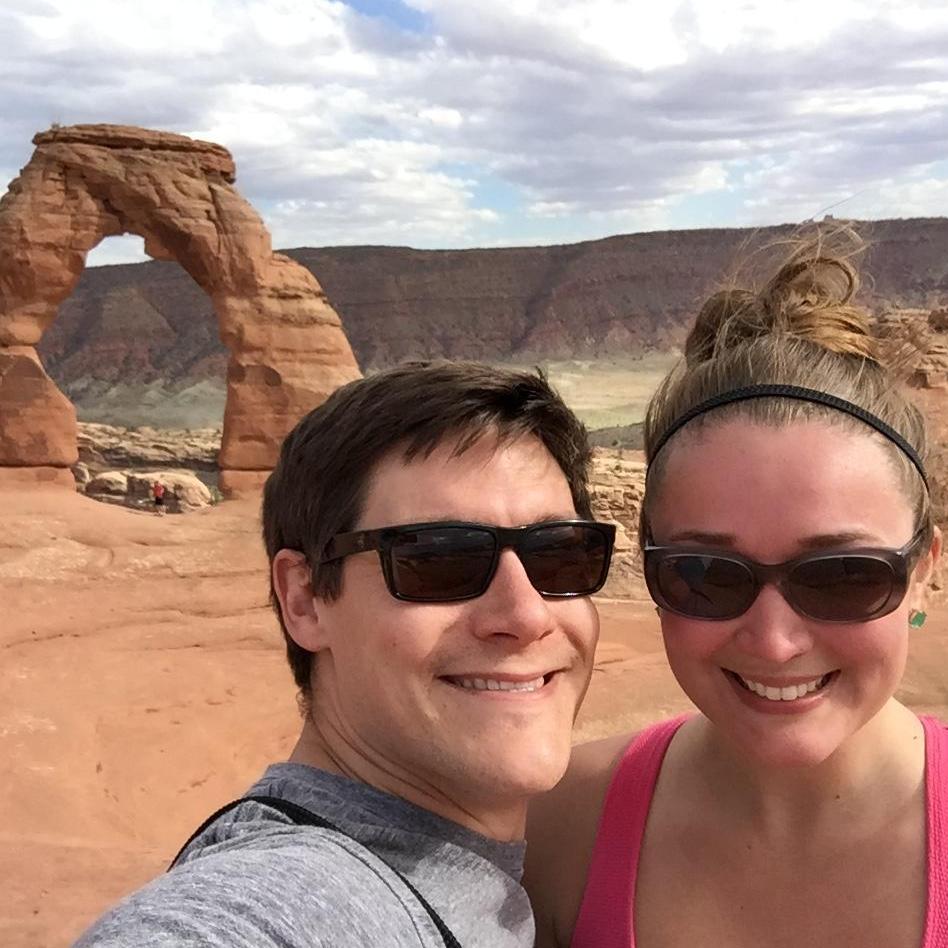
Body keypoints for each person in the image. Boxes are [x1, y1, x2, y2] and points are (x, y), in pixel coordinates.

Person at [75, 360, 615, 948]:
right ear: (304, 599)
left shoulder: (496, 877)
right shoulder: (295, 902)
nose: (527, 615)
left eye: (562, 554)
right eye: (436, 561)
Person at [524, 232, 945, 948]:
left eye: (844, 577)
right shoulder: (561, 831)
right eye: (706, 576)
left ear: (923, 571)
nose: (775, 641)